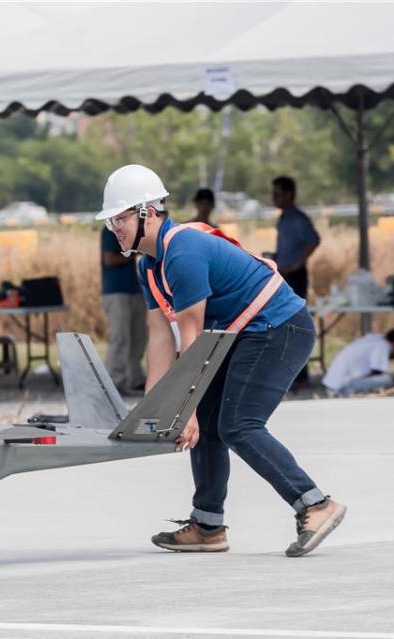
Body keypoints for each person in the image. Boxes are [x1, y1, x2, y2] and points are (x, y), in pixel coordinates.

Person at [96, 164, 345, 558]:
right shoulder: (148, 265)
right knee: (209, 422)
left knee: (238, 424)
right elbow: (160, 337)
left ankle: (315, 504)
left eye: (121, 218)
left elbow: (191, 337)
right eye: (111, 221)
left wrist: (185, 408)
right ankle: (208, 526)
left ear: (148, 212)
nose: (115, 229)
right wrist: (153, 411)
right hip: (242, 334)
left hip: (279, 328)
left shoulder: (182, 253)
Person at [272, 176, 319, 387]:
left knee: (295, 324)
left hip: (295, 275)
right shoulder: (283, 218)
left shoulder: (298, 219)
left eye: (278, 194)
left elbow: (313, 240)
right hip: (284, 273)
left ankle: (300, 376)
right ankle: (291, 374)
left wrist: (297, 263)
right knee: (285, 324)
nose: (274, 198)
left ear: (289, 194)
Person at [99, 226, 147, 395]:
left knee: (139, 338)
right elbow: (109, 259)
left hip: (136, 290)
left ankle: (135, 378)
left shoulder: (132, 229)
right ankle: (112, 381)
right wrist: (134, 252)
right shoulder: (110, 231)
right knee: (121, 338)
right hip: (116, 291)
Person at [322, 329, 394, 396]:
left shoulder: (376, 340)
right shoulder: (383, 345)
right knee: (388, 380)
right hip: (341, 386)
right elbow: (377, 373)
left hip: (332, 383)